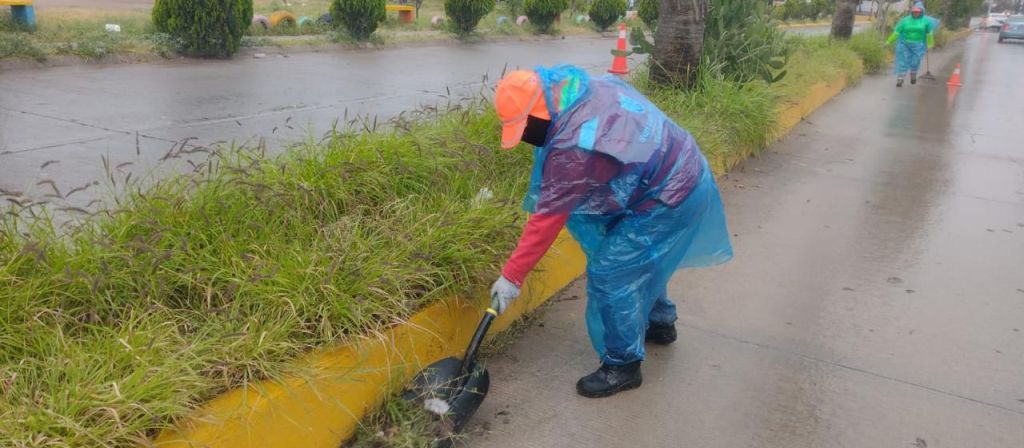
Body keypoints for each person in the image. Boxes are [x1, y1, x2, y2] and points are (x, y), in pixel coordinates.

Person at [488, 65, 733, 398]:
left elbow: (547, 218)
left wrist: (512, 276)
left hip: (670, 195)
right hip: (679, 171)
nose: (528, 136)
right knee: (642, 257)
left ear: (538, 114)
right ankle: (660, 323)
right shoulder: (577, 88)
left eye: (527, 126)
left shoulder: (574, 144)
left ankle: (623, 365)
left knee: (612, 270)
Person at [886, 5, 935, 87]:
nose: (915, 13)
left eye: (917, 12)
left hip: (918, 45)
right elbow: (896, 33)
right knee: (903, 61)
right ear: (911, 12)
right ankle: (900, 79)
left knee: (915, 61)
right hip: (905, 44)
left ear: (921, 12)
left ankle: (913, 75)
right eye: (914, 12)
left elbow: (929, 34)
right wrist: (888, 41)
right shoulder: (905, 21)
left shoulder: (925, 21)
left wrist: (930, 44)